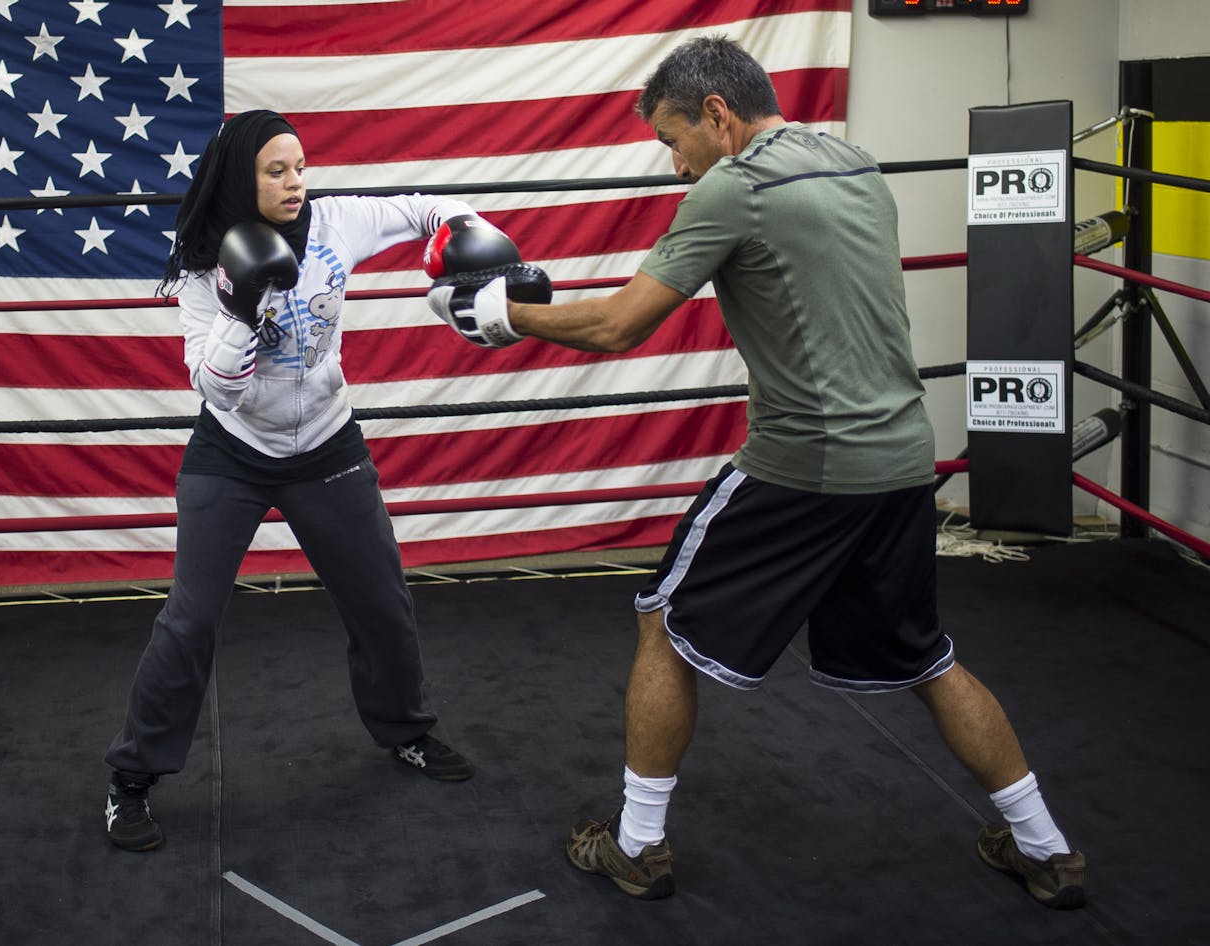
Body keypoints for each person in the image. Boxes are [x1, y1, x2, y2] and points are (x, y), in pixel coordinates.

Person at [427, 36, 1086, 908]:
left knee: (661, 620)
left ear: (717, 114)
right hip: (899, 459)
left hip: (805, 463)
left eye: (674, 139)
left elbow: (621, 326)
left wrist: (501, 313)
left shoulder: (735, 188)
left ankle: (636, 847)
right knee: (926, 659)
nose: (674, 163)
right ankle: (1046, 848)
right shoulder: (850, 161)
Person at [104, 109, 498, 852]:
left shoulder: (335, 223)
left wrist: (466, 227)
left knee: (381, 598)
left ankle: (407, 732)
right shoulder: (200, 263)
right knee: (189, 620)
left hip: (325, 444)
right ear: (241, 178)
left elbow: (423, 208)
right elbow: (215, 390)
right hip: (233, 451)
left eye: (299, 167)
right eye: (275, 171)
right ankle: (130, 781)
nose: (294, 183)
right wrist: (244, 305)